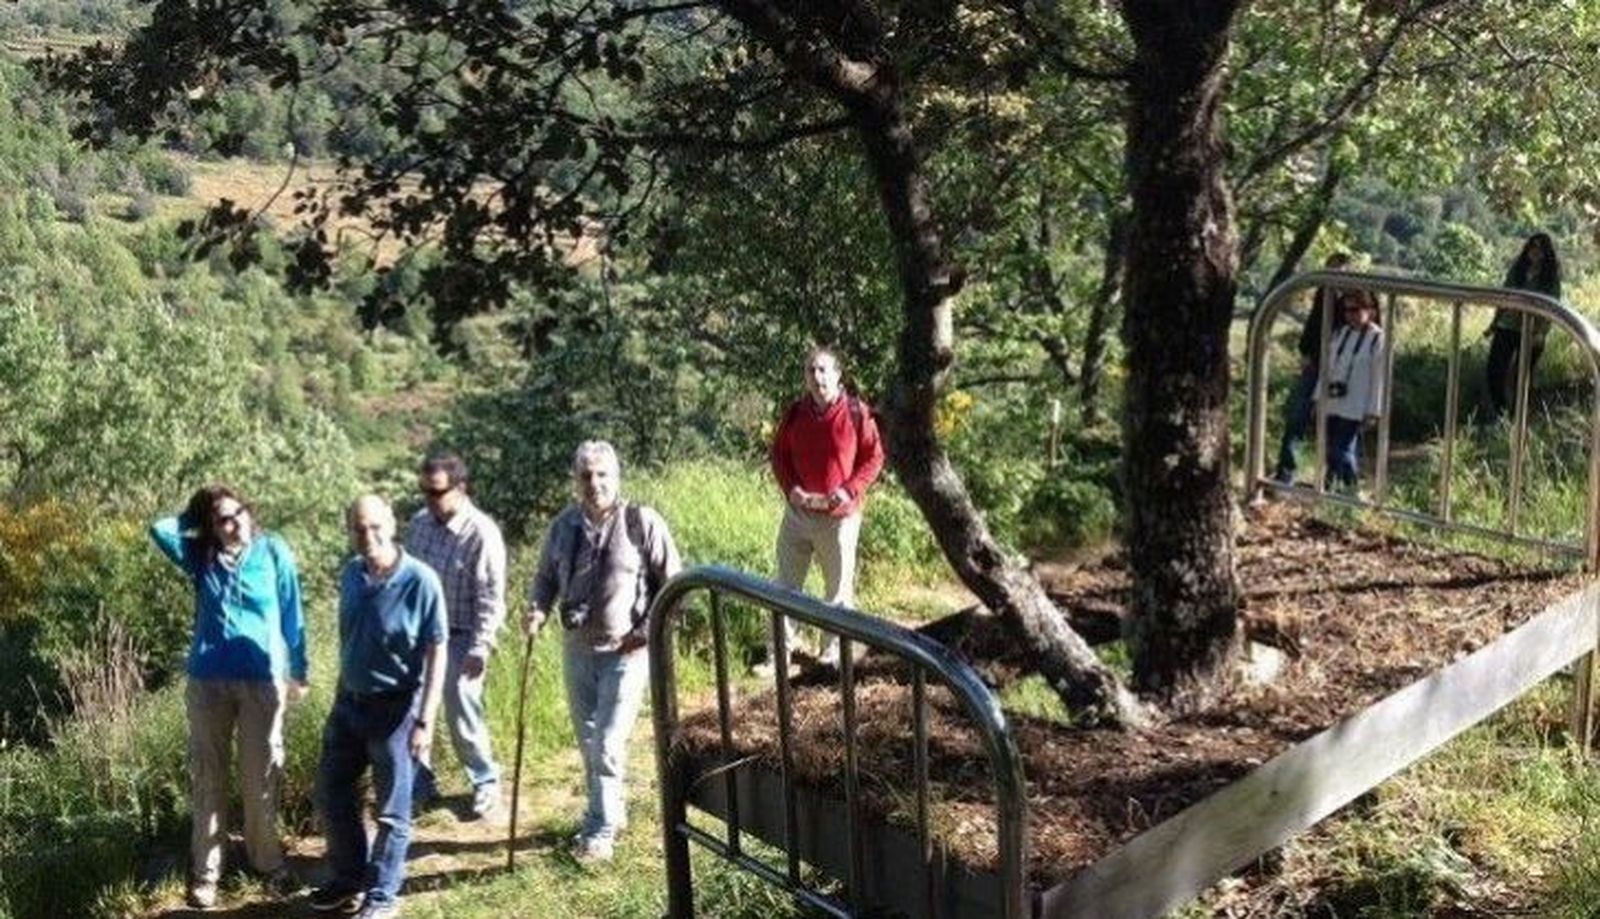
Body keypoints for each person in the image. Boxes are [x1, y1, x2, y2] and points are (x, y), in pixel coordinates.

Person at [149, 485, 308, 911]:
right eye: (221, 518)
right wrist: (196, 515)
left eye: (237, 513)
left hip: (262, 680)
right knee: (208, 778)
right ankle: (206, 875)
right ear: (212, 527)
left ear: (249, 512)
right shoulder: (201, 557)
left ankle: (267, 863)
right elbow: (159, 528)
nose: (233, 522)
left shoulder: (273, 551)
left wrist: (301, 669)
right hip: (208, 683)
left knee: (260, 778)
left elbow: (293, 613)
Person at [522, 441, 681, 863]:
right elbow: (544, 579)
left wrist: (646, 631)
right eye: (586, 476)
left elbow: (676, 584)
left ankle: (599, 831)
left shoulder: (641, 522)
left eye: (602, 474)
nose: (595, 483)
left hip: (627, 652)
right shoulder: (562, 527)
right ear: (576, 481)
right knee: (590, 742)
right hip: (577, 650)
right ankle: (612, 810)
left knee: (608, 743)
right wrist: (537, 609)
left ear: (617, 477)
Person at [311, 495, 447, 919]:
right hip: (348, 706)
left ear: (391, 524)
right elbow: (349, 639)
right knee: (332, 793)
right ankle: (349, 879)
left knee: (392, 812)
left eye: (374, 526)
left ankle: (383, 896)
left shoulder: (421, 581)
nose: (366, 535)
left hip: (396, 714)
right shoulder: (351, 574)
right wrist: (339, 694)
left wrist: (426, 719)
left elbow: (437, 650)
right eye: (357, 528)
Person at [761, 346, 885, 673]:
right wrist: (792, 490)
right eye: (811, 371)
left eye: (823, 370)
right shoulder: (795, 413)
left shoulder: (858, 413)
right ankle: (778, 657)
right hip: (799, 514)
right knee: (784, 587)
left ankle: (831, 656)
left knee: (838, 591)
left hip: (840, 518)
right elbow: (779, 456)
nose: (817, 377)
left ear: (838, 375)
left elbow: (875, 458)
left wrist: (849, 490)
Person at [404, 451, 507, 819]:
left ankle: (485, 780)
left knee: (461, 702)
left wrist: (481, 648)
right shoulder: (419, 525)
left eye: (437, 493)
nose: (429, 500)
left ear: (460, 489)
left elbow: (491, 599)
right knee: (412, 707)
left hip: (463, 634)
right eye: (425, 493)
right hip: (421, 634)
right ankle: (419, 783)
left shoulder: (481, 533)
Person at [1273, 252, 1353, 484]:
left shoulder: (1354, 298)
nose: (1336, 275)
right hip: (1317, 362)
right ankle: (1285, 473)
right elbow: (1313, 324)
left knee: (1336, 421)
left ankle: (1336, 480)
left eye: (1341, 271)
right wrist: (1306, 352)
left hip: (1339, 367)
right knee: (1297, 416)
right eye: (1332, 269)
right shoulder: (1323, 293)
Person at [1486, 232, 1562, 418]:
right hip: (1508, 326)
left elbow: (1551, 307)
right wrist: (1494, 324)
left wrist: (1541, 333)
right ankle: (1501, 414)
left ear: (1546, 253)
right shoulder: (1518, 269)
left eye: (1539, 248)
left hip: (1532, 331)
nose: (1534, 252)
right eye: (1532, 247)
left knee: (1521, 376)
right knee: (1494, 370)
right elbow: (1505, 296)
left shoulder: (1551, 276)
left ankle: (1517, 418)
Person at [1317, 290, 1386, 491]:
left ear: (1370, 311)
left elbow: (1378, 378)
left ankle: (1344, 489)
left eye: (1355, 310)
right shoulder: (1341, 333)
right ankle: (1339, 490)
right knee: (1334, 449)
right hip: (1332, 401)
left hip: (1356, 405)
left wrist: (1374, 411)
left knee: (1341, 449)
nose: (1350, 315)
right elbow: (1328, 367)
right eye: (1346, 310)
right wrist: (1317, 397)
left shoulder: (1377, 339)